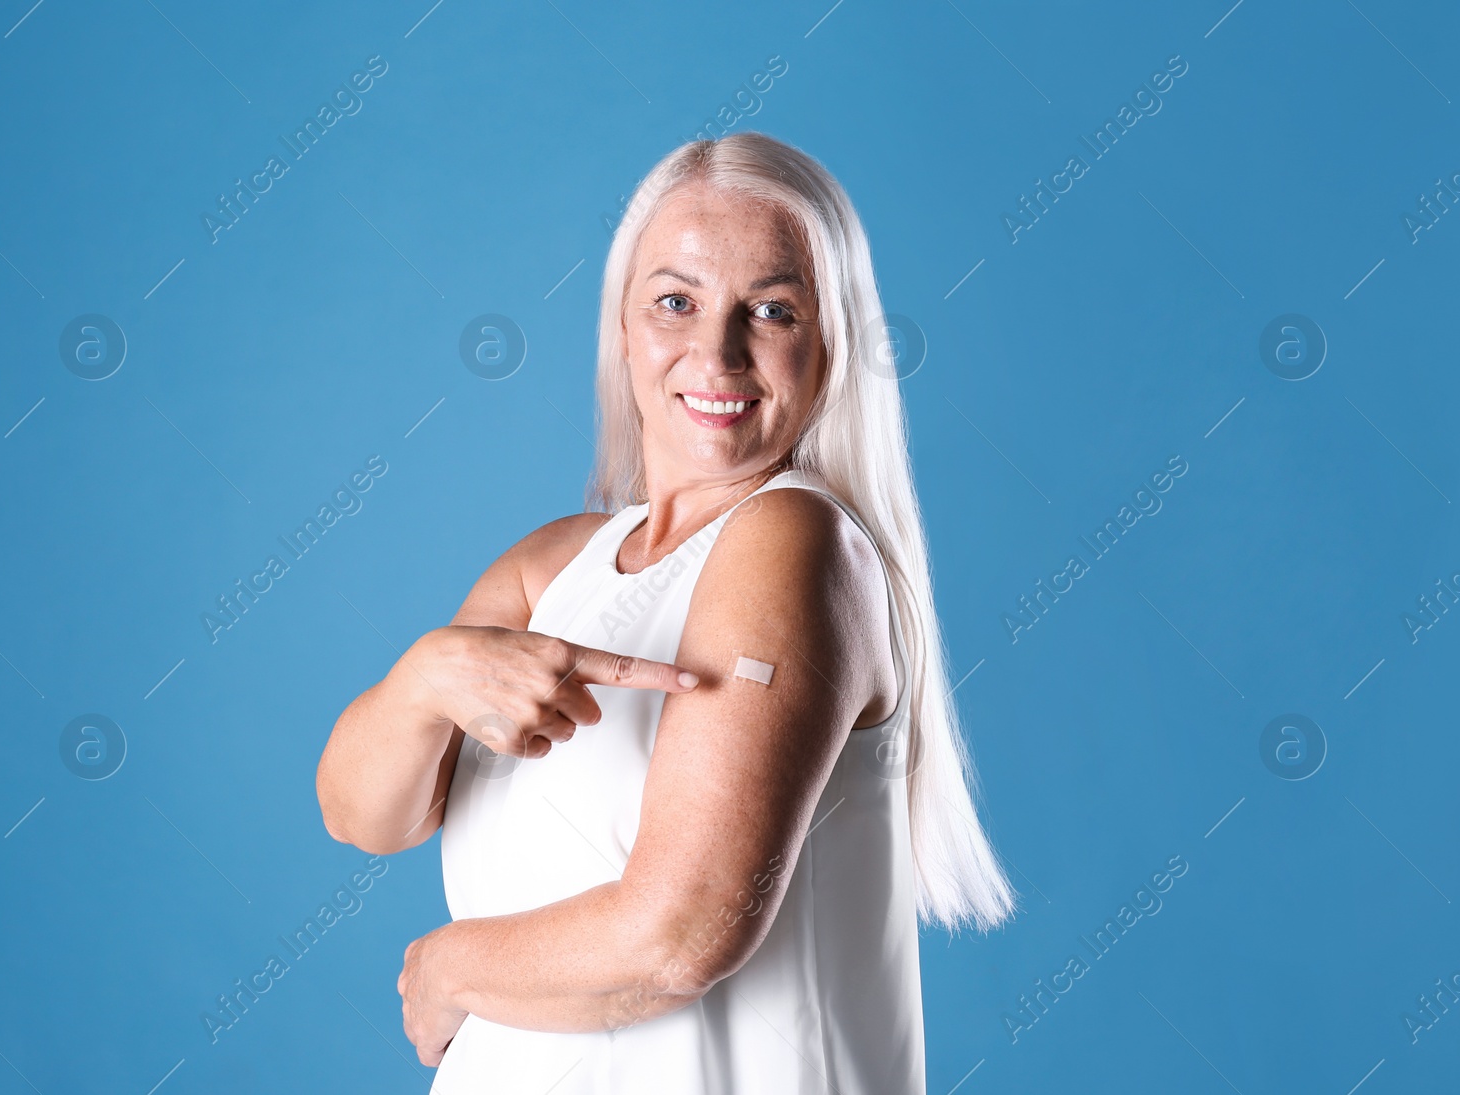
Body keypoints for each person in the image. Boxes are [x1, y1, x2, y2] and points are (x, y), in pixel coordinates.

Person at [314, 130, 1016, 1093]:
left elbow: (677, 936)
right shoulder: (553, 564)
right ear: (622, 329)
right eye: (675, 302)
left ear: (832, 343)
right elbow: (363, 815)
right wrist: (427, 677)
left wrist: (446, 967)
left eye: (770, 310)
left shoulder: (795, 540)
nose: (715, 351)